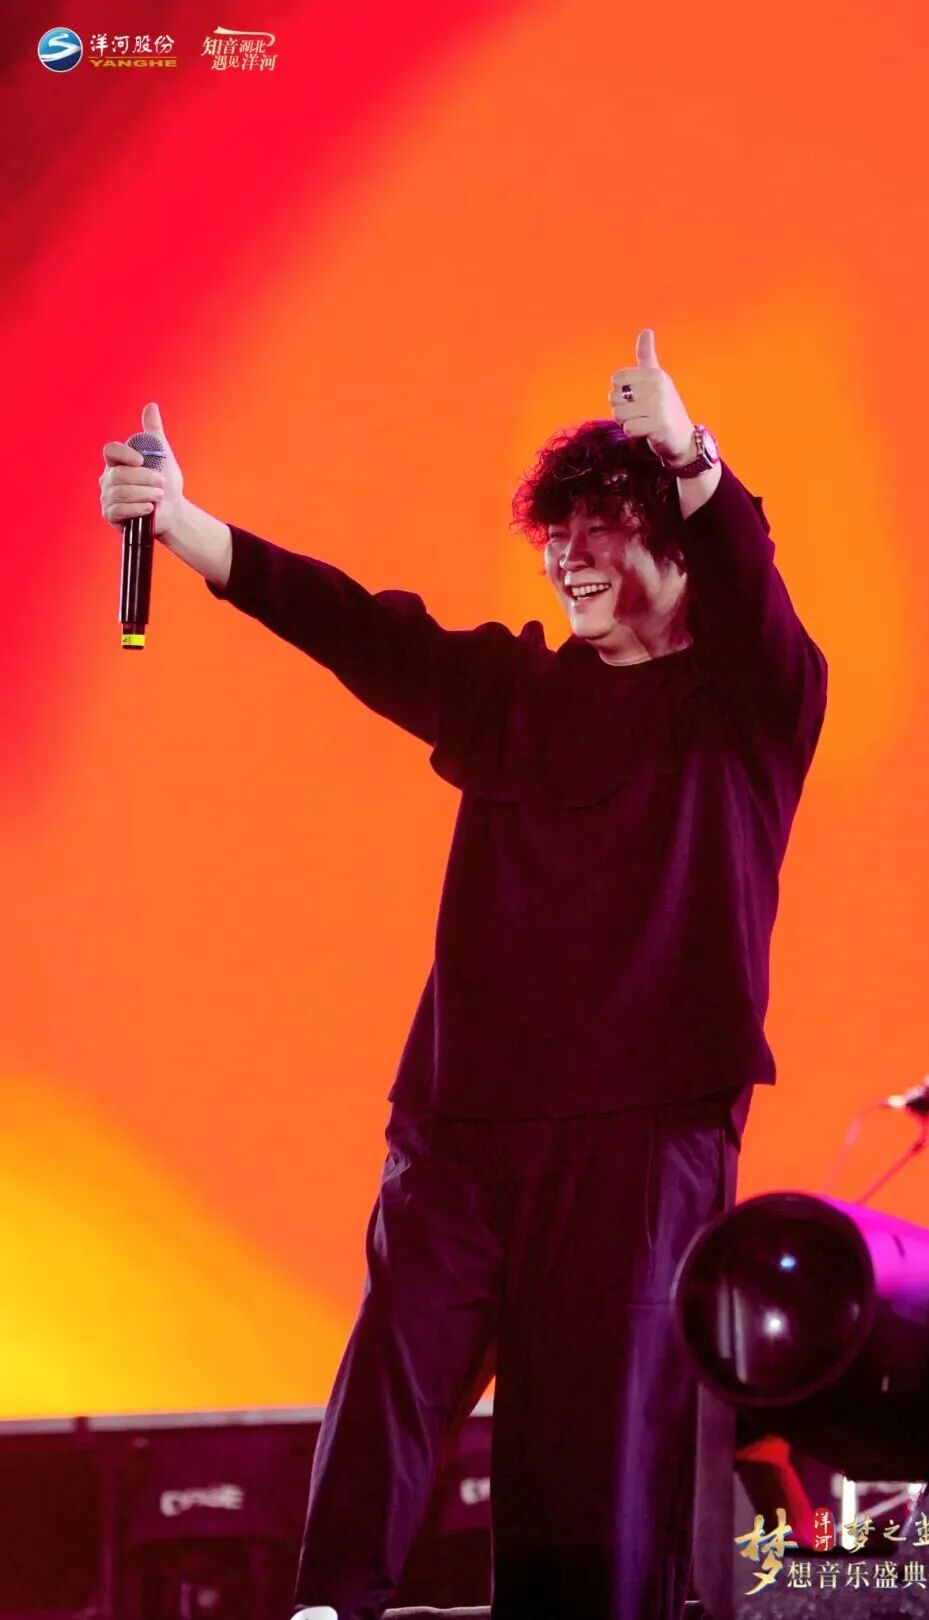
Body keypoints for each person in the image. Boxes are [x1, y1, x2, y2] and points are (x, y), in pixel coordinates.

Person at [99, 329, 827, 1620]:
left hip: (643, 1133)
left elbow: (747, 572)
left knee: (591, 1460)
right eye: (558, 533)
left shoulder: (752, 706)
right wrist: (185, 525)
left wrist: (687, 450)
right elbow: (351, 625)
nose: (571, 554)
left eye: (605, 527)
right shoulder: (510, 695)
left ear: (674, 548)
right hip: (463, 1121)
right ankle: (329, 1609)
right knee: (392, 1380)